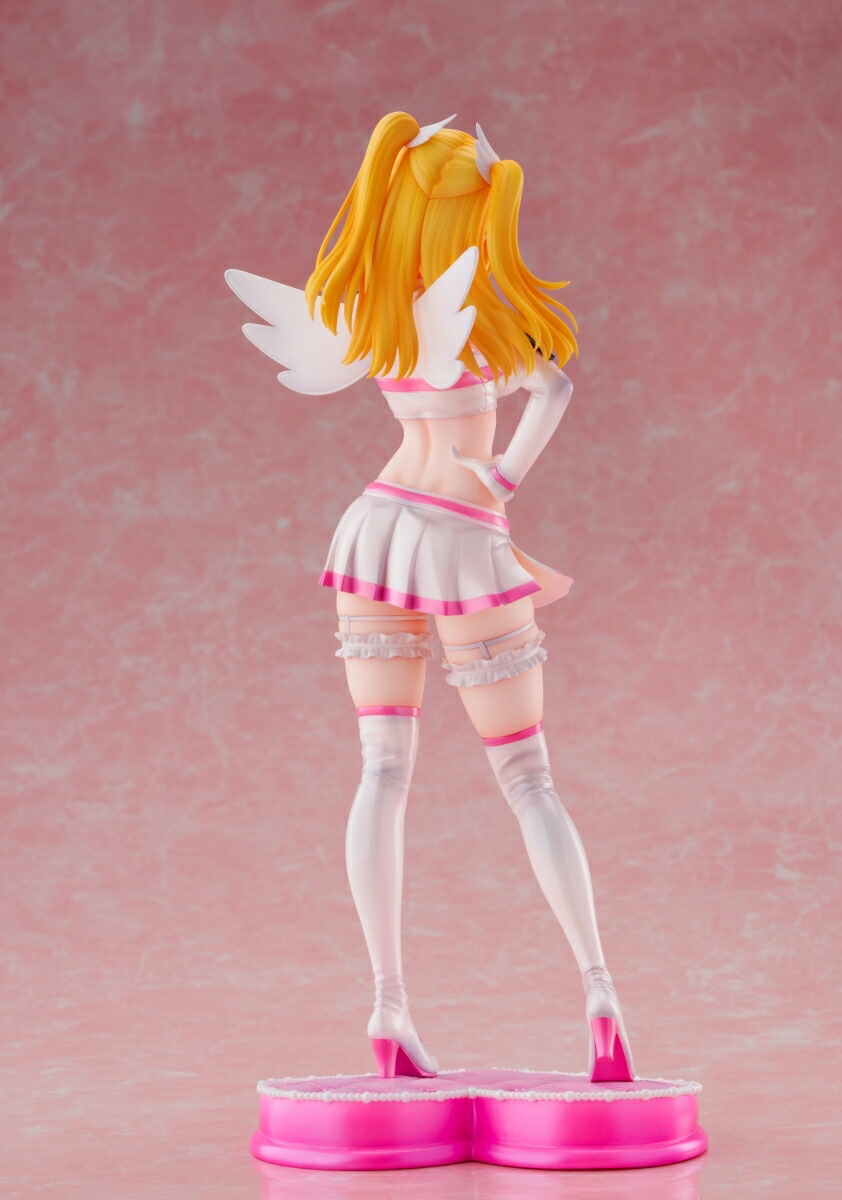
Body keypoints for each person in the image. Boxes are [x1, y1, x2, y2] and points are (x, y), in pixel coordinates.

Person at [226, 111, 634, 1084]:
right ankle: (599, 991)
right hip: (459, 538)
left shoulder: (377, 316)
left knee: (382, 769)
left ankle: (387, 1004)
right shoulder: (486, 323)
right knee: (527, 777)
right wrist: (506, 478)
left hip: (375, 526)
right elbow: (556, 392)